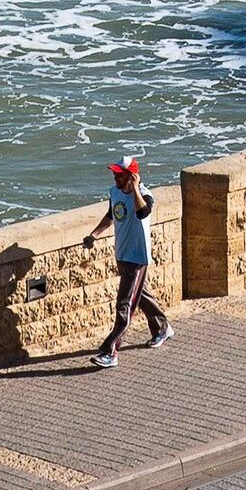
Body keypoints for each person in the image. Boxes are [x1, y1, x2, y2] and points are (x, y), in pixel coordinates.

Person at [76, 156, 172, 364]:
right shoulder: (114, 192)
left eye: (119, 175)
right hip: (121, 254)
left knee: (124, 304)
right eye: (115, 174)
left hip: (137, 257)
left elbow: (142, 212)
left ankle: (110, 352)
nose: (115, 177)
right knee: (140, 295)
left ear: (131, 176)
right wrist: (94, 235)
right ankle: (162, 327)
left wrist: (135, 188)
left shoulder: (145, 196)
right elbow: (111, 215)